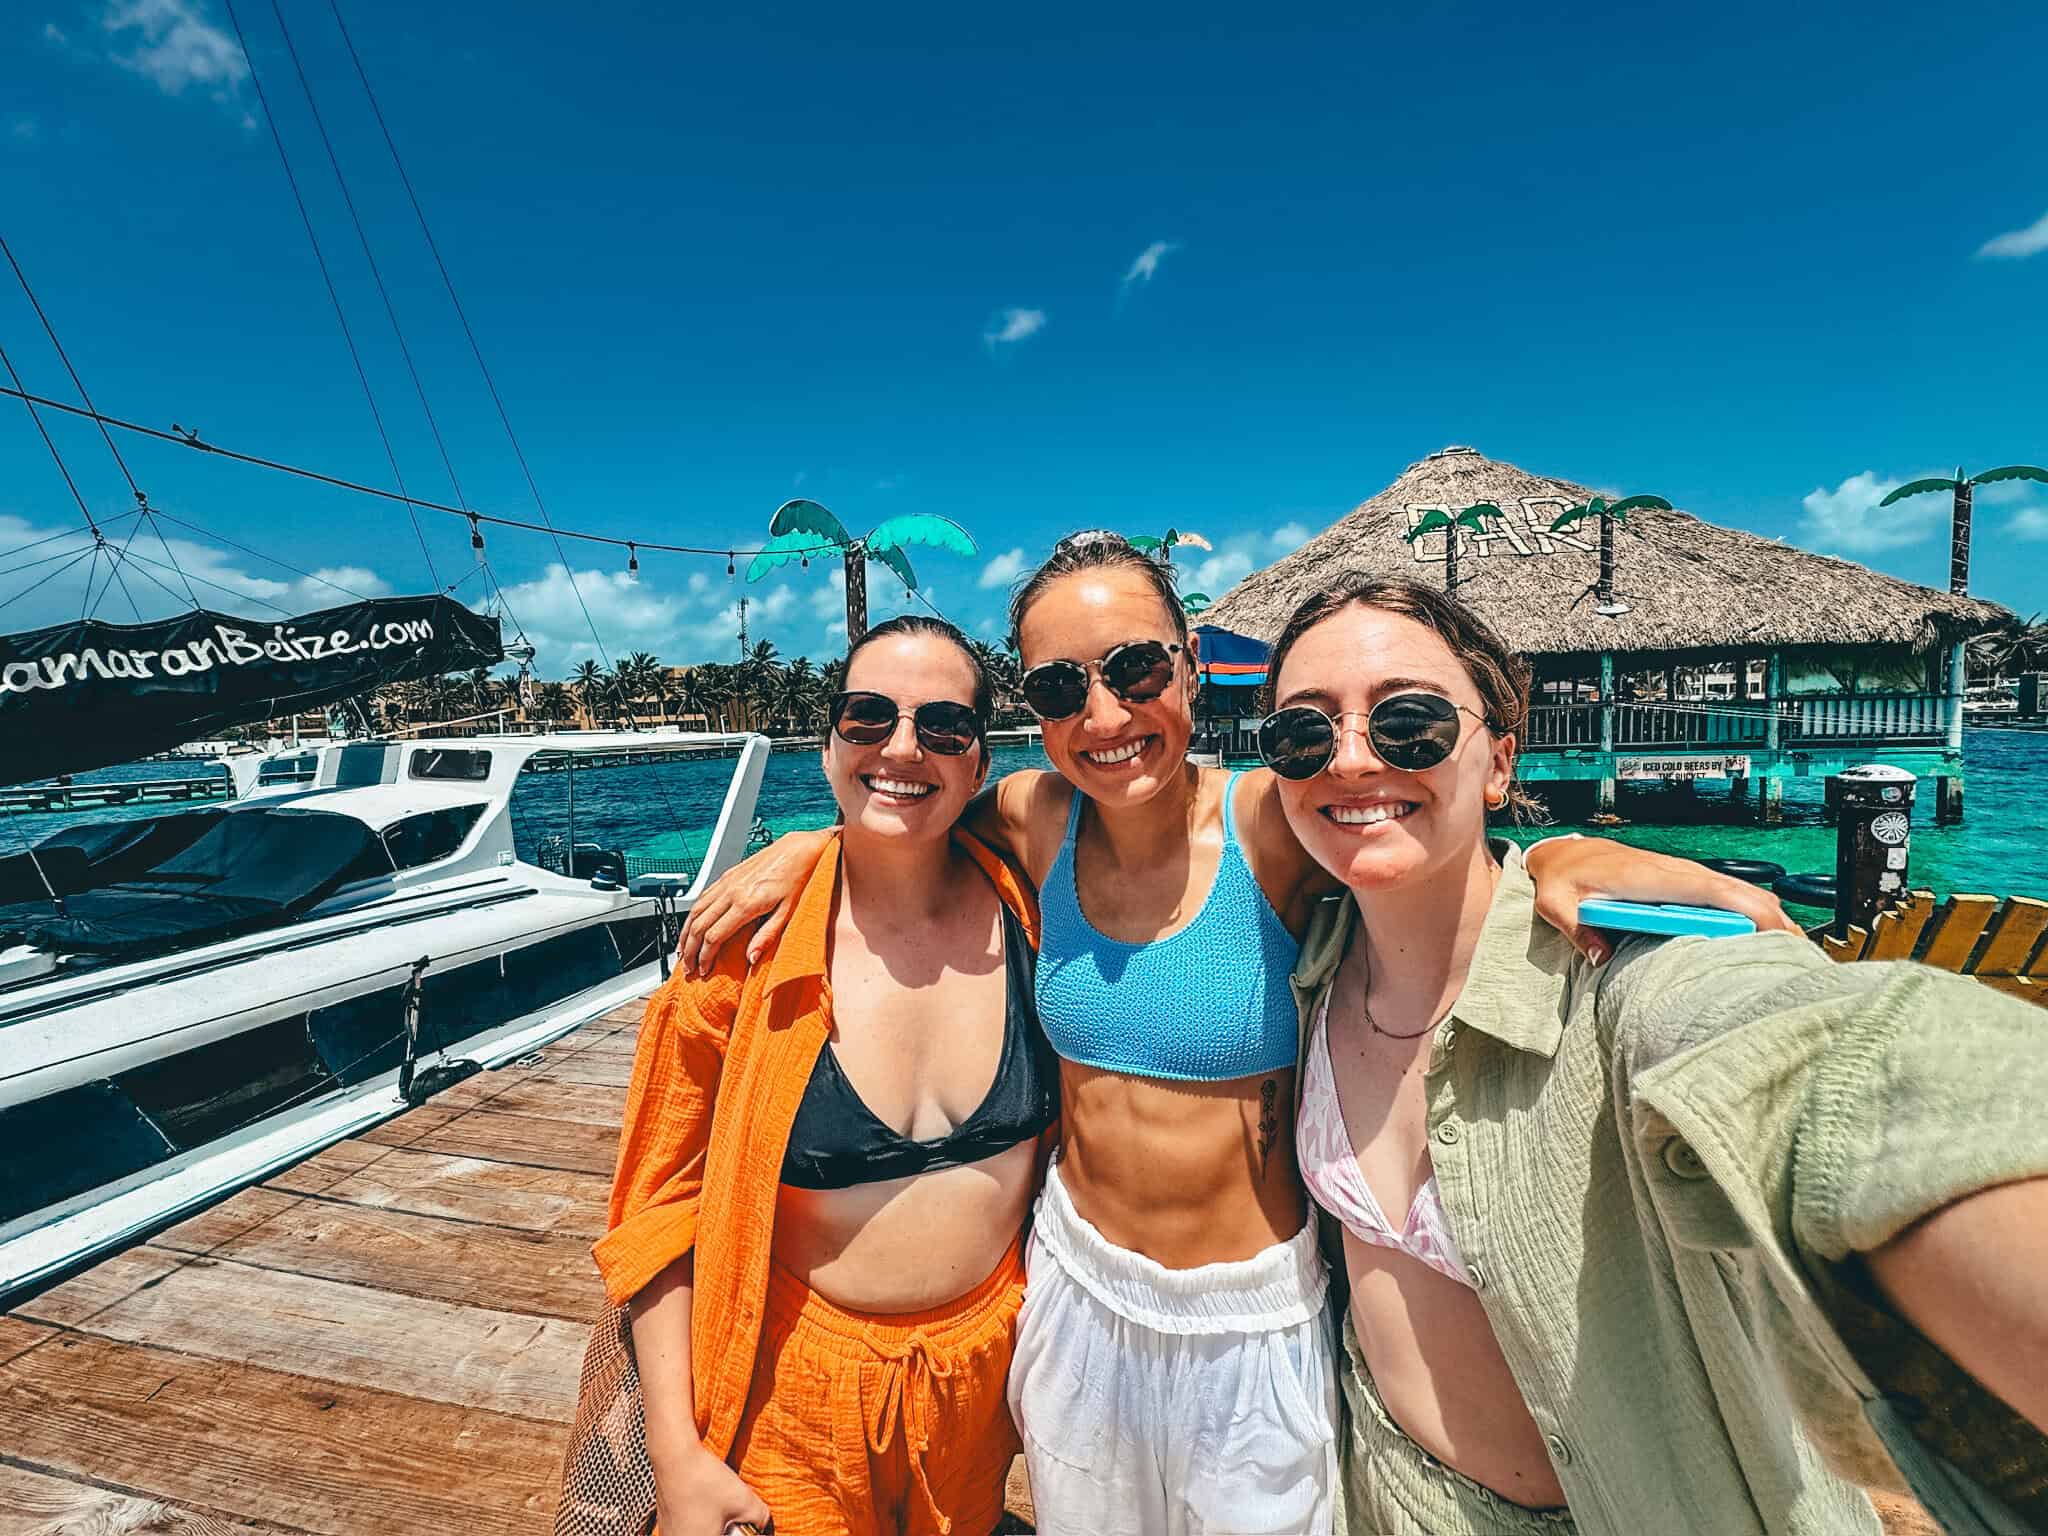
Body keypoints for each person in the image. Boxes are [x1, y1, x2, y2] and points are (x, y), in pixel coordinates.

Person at [680, 537, 1799, 1536]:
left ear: (1187, 664)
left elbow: (1412, 817)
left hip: (1251, 1317)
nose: (1105, 716)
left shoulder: (1270, 817)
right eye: (1061, 685)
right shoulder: (1032, 818)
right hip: (1074, 1291)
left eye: (1134, 670)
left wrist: (1559, 858)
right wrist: (801, 848)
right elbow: (901, 800)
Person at [1261, 572, 2048, 1536]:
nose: (1348, 760)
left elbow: (1804, 1057)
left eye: (1410, 724)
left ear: (1500, 762)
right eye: (1303, 733)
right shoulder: (1310, 964)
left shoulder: (1614, 968)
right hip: (1386, 1488)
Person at [565, 615, 1061, 1536]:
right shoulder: (741, 957)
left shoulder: (1032, 911)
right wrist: (677, 1457)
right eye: (868, 718)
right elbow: (657, 1213)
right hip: (795, 1392)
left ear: (981, 760)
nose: (902, 747)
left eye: (943, 726)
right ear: (831, 744)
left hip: (987, 1387)